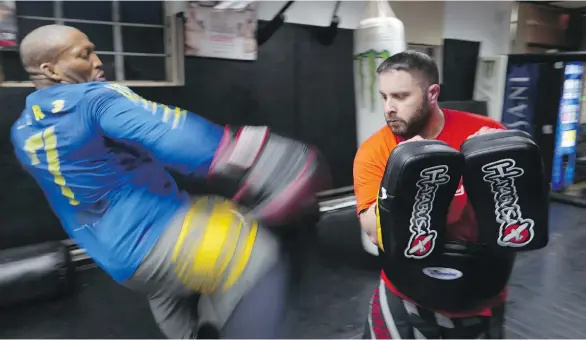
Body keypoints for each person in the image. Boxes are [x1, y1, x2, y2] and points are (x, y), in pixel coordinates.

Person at [11, 24, 330, 339]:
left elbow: (92, 165)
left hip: (119, 260)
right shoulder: (95, 99)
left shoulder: (24, 130)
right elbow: (174, 136)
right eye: (84, 54)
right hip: (159, 238)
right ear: (50, 69)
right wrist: (250, 154)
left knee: (182, 270)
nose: (97, 61)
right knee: (253, 254)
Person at [353, 51, 509, 339]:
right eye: (384, 97)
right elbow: (374, 231)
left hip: (477, 291)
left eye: (400, 96)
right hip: (406, 289)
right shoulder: (375, 151)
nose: (389, 108)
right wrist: (409, 176)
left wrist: (479, 164)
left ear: (432, 93)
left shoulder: (484, 132)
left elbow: (511, 218)